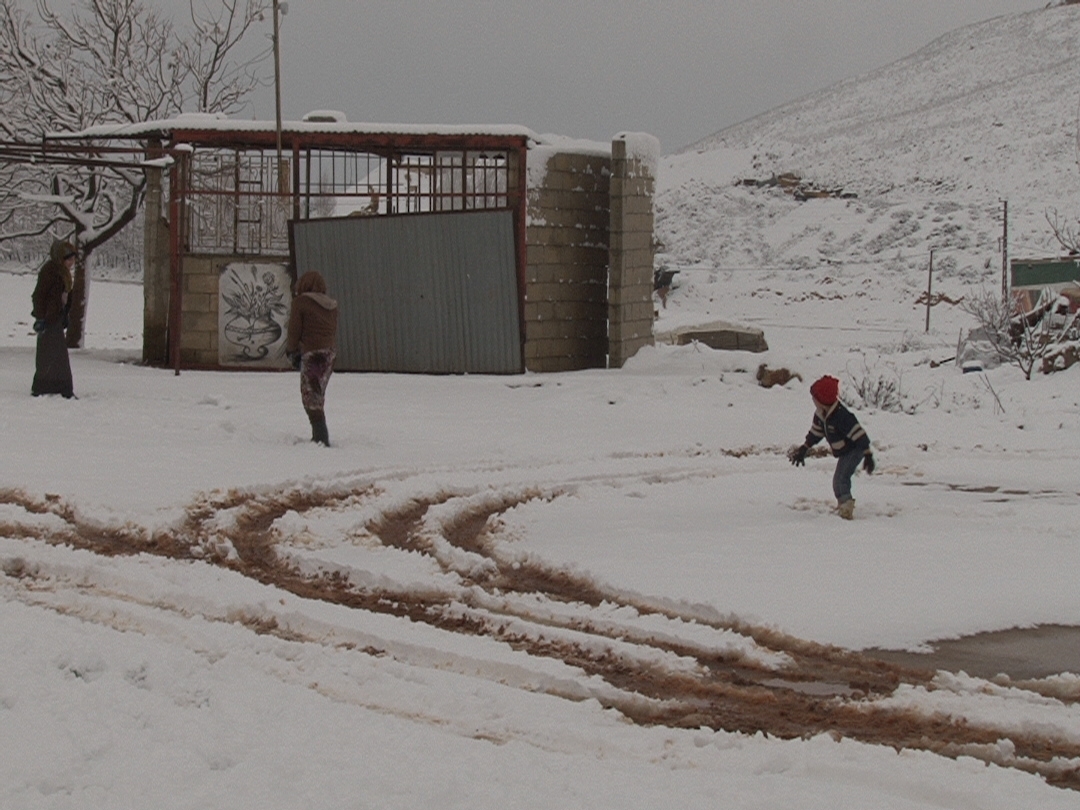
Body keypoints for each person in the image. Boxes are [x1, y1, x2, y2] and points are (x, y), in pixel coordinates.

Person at [788, 375, 874, 519]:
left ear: (822, 399)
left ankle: (846, 507)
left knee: (841, 478)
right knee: (838, 479)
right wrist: (804, 448)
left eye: (814, 398)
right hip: (845, 451)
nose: (813, 401)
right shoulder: (821, 415)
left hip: (855, 449)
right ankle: (844, 504)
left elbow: (860, 435)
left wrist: (867, 454)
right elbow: (816, 433)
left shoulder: (842, 416)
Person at [285, 270, 338, 446]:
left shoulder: (300, 303)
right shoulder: (332, 305)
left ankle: (321, 438)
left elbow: (294, 329)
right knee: (317, 393)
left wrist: (292, 350)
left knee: (310, 395)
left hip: (312, 353)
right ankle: (320, 435)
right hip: (328, 354)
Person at [31, 239, 77, 399]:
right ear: (60, 258)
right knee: (50, 354)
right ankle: (50, 387)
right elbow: (39, 295)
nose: (72, 263)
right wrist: (41, 317)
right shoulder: (50, 271)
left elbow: (64, 297)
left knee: (57, 355)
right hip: (48, 319)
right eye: (69, 259)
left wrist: (65, 315)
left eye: (73, 260)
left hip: (56, 317)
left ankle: (57, 387)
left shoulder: (64, 274)